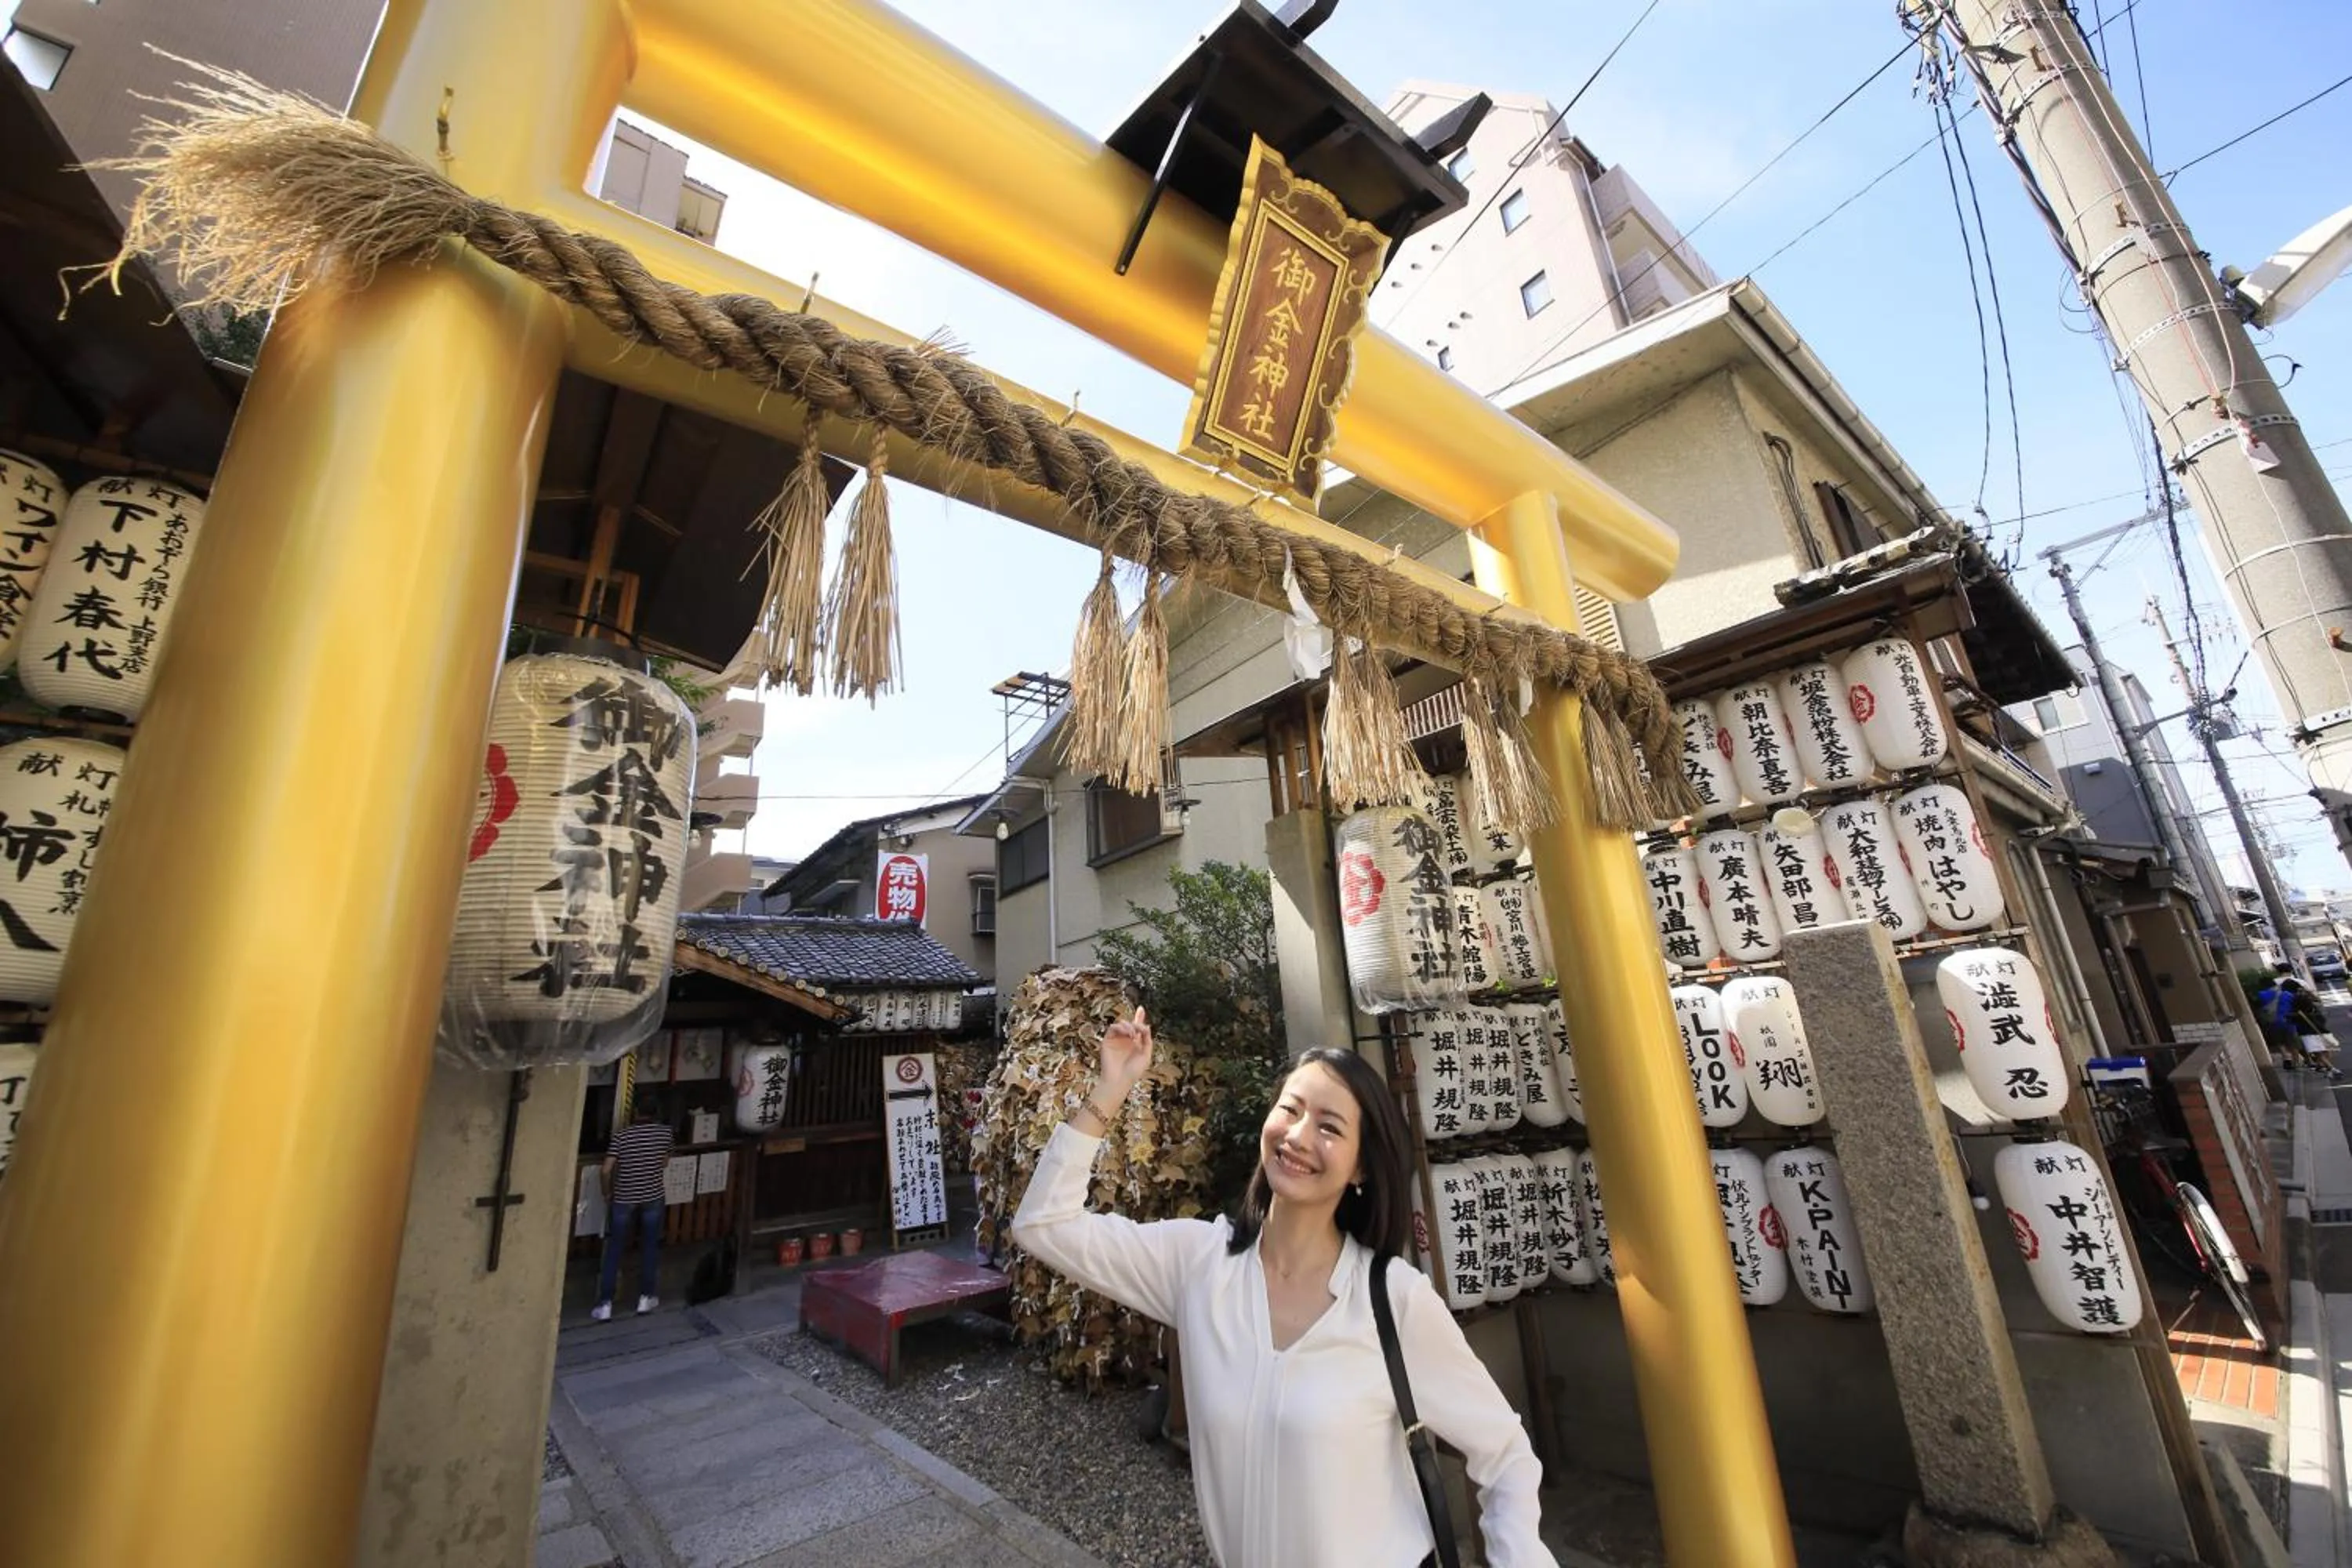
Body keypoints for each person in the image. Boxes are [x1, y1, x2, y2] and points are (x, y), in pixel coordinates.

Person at [1012, 1008, 1555, 1568]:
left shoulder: (1393, 1299)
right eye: (1289, 1110)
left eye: (1329, 1127)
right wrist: (1112, 1086)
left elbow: (1506, 1454)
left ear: (1361, 1169)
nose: (1297, 1136)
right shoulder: (1198, 1264)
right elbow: (1044, 1226)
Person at [593, 1102, 676, 1320]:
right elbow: (665, 1162)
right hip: (652, 1196)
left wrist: (606, 1193)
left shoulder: (622, 1136)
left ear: (635, 1112)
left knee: (614, 1249)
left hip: (623, 1197)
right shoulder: (665, 1133)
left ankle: (606, 1304)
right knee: (650, 1247)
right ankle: (645, 1298)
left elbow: (606, 1170)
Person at [2254, 967, 2305, 1069]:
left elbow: (2261, 1006)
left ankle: (2286, 1057)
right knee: (2292, 1042)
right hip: (2287, 1020)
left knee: (2279, 1041)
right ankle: (2296, 1062)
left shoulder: (2261, 994)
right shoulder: (2285, 993)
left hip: (2272, 1021)